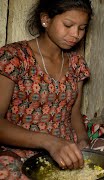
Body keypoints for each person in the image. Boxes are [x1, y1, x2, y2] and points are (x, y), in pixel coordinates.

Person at [0, 0, 94, 179]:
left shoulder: (76, 64)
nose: (75, 34)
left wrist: (83, 141)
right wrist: (49, 142)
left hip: (66, 149)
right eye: (68, 25)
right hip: (19, 152)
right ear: (45, 19)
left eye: (82, 28)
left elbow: (74, 114)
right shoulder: (14, 57)